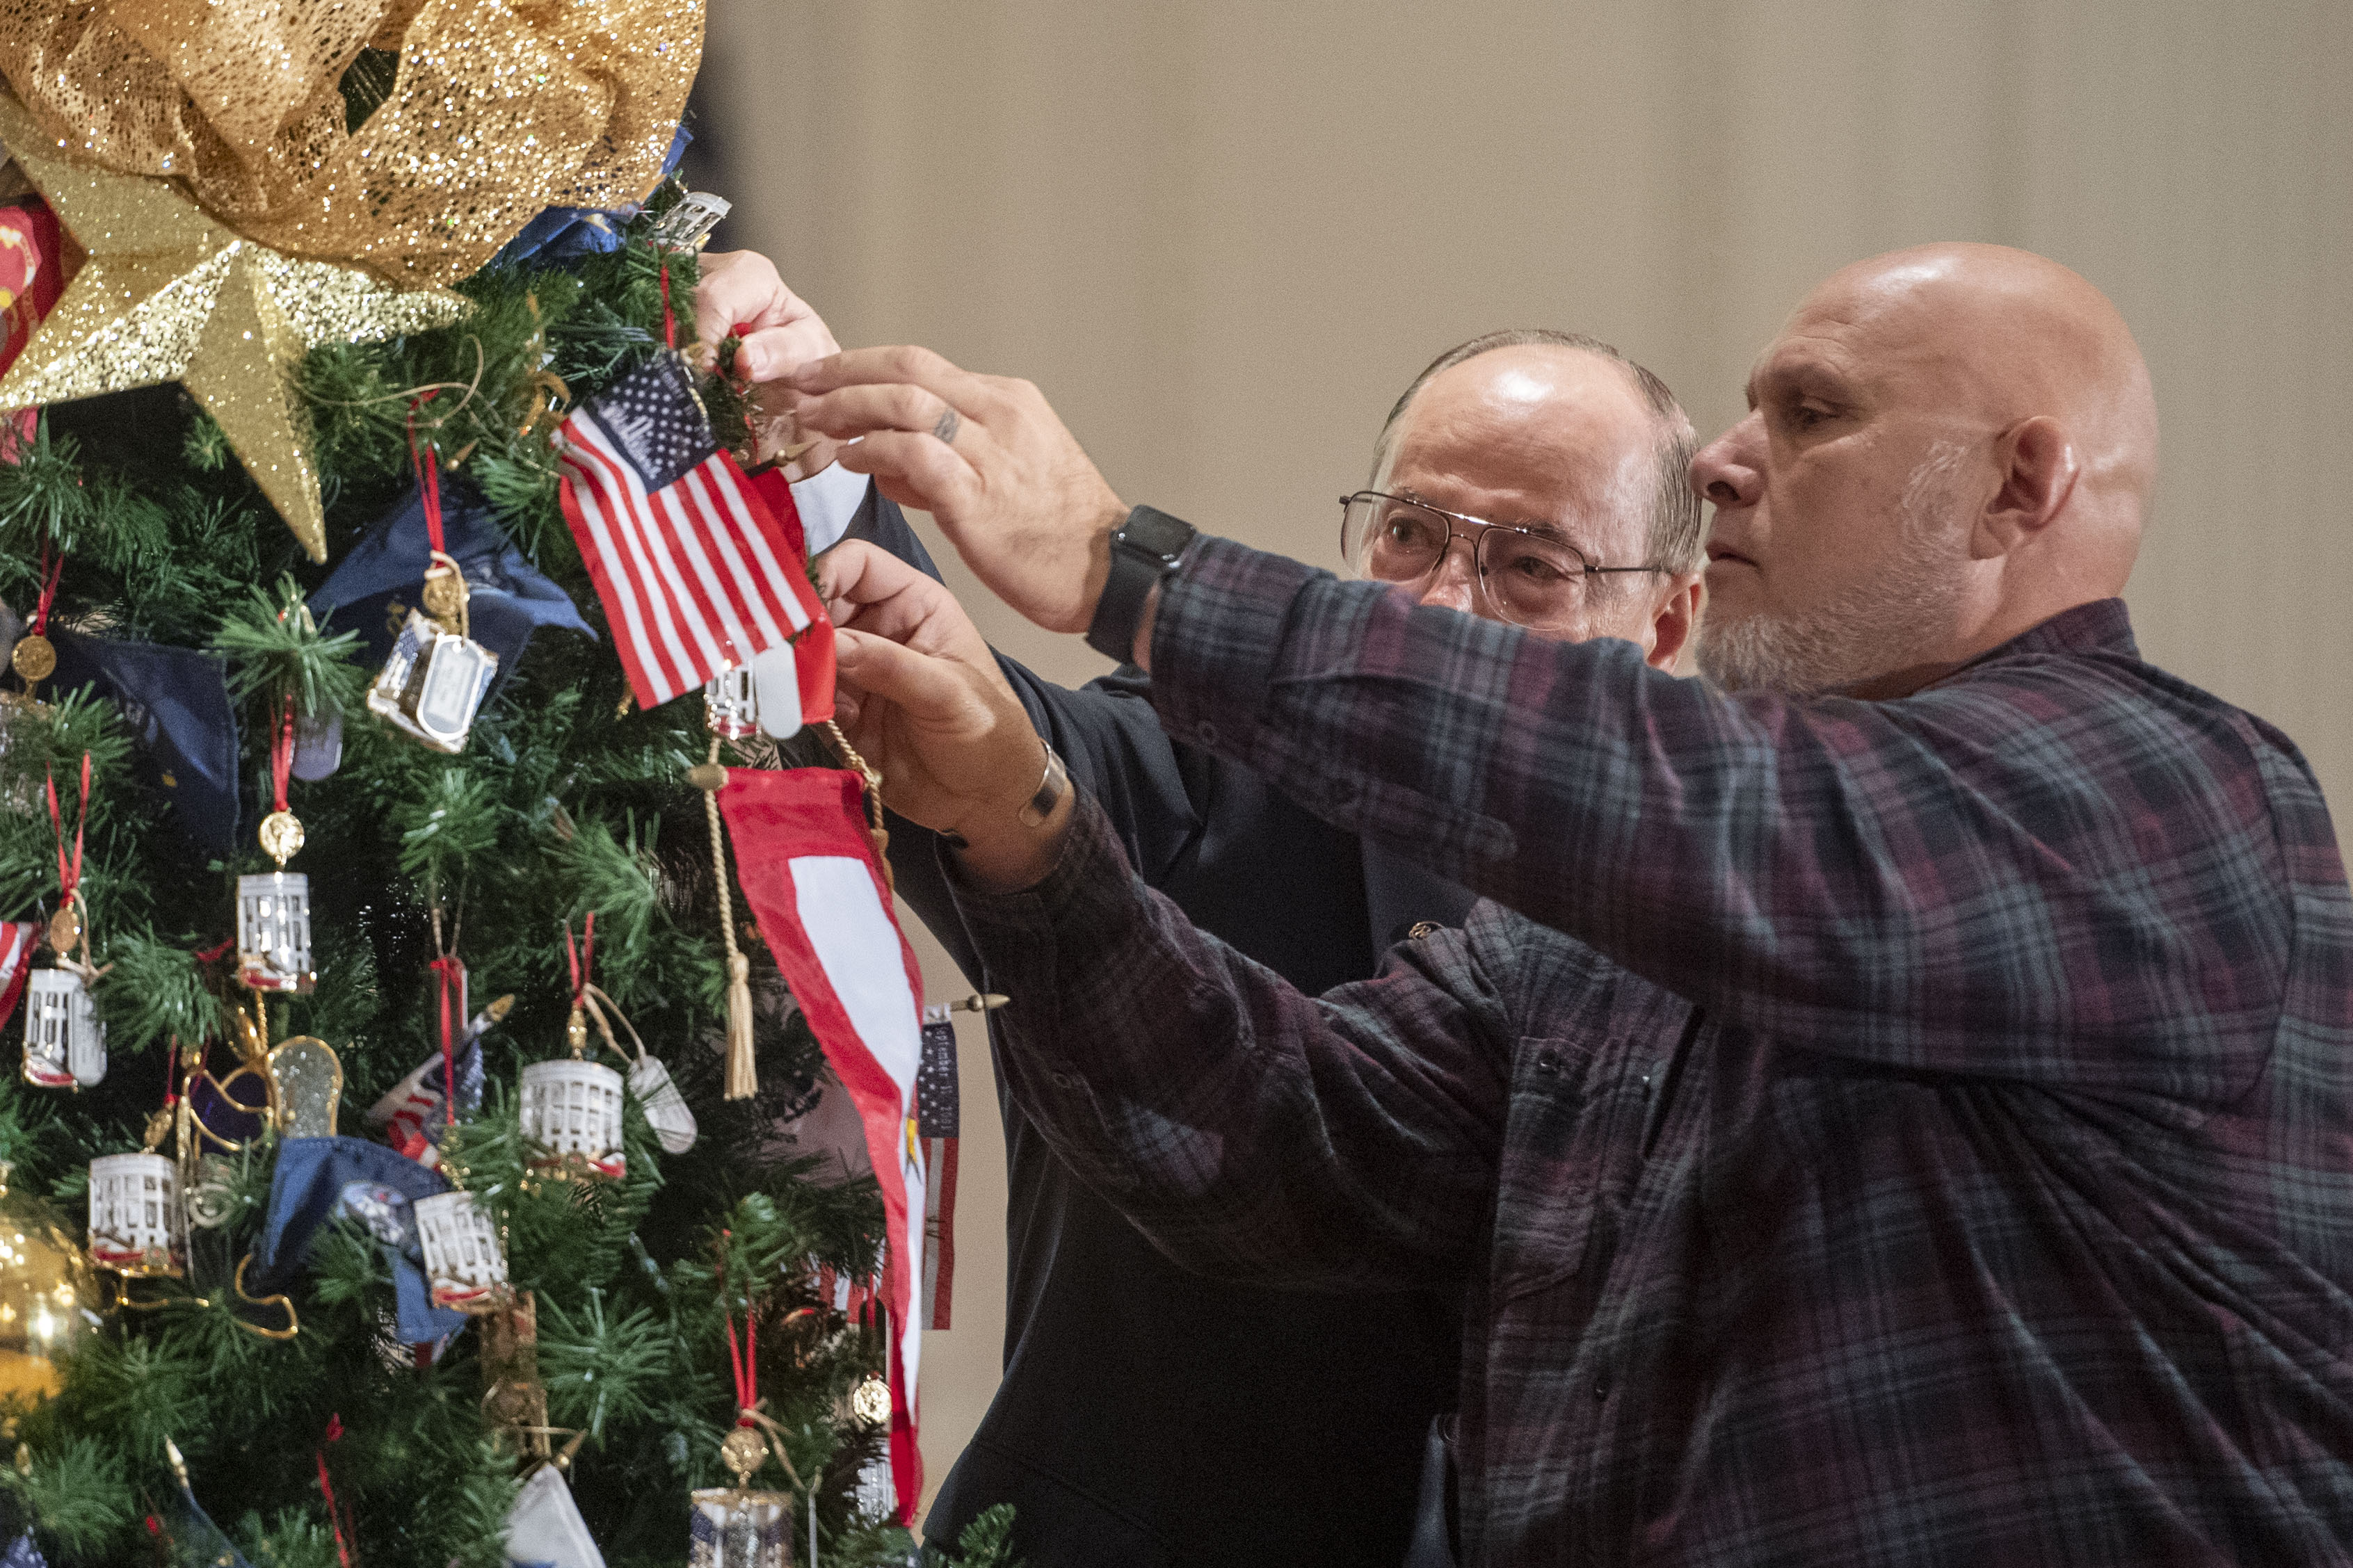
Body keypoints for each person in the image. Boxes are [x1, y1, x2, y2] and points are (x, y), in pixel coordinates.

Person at [801, 243, 2353, 1565]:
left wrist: (1134, 570)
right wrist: (1019, 823)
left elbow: (1719, 807)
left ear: (2020, 487)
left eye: (1812, 415)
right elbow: (1282, 1132)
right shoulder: (1598, 937)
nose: (1726, 458)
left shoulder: (2170, 797)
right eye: (1751, 406)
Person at [696, 253, 1706, 1565]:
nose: (1444, 607)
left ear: (1666, 624)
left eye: (1531, 565)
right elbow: (977, 725)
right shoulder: (1209, 771)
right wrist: (805, 452)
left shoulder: (1719, 922)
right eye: (1409, 534)